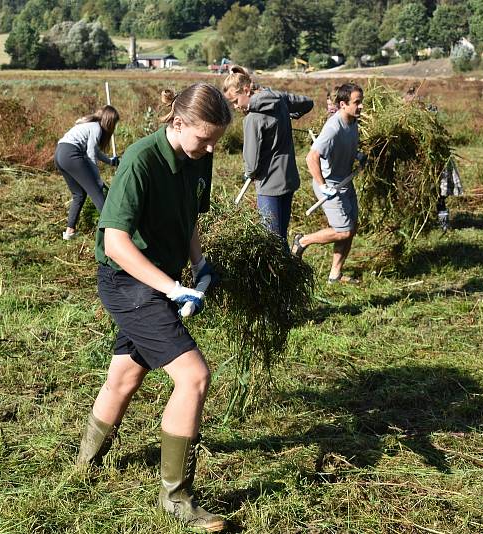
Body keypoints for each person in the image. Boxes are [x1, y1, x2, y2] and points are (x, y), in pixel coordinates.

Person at [76, 83, 231, 532]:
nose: (210, 148)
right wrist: (171, 288)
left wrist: (200, 265)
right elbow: (115, 242)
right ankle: (177, 497)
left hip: (163, 280)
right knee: (194, 375)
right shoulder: (140, 160)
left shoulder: (200, 159)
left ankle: (85, 462)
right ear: (177, 123)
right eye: (204, 138)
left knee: (124, 376)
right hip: (128, 282)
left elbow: (190, 221)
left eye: (216, 140)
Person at [222, 65, 313, 244]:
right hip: (288, 177)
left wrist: (248, 172)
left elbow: (252, 163)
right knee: (281, 234)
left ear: (246, 90)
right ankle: (287, 269)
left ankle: (280, 271)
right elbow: (308, 103)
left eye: (235, 101)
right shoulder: (279, 99)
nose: (235, 106)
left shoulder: (253, 118)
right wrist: (289, 113)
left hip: (269, 183)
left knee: (271, 241)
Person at [292, 83, 365, 285]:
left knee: (351, 227)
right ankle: (302, 241)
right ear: (343, 104)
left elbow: (345, 146)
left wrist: (358, 155)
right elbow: (311, 157)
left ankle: (335, 275)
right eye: (356, 102)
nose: (361, 106)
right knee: (343, 231)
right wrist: (323, 185)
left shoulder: (353, 122)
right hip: (330, 185)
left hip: (345, 182)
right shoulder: (333, 128)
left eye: (361, 102)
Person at [54, 105, 120, 240]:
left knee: (79, 194)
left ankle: (69, 231)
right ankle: (112, 232)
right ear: (110, 122)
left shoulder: (90, 125)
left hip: (60, 154)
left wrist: (110, 161)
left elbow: (95, 151)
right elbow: (90, 154)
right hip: (71, 154)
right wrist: (97, 178)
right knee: (97, 192)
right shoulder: (96, 128)